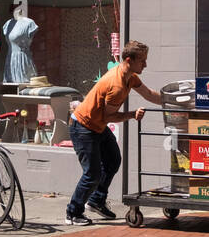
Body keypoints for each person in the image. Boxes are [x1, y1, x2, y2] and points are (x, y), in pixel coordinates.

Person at [65, 39, 163, 224]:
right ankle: (73, 212)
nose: (146, 64)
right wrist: (132, 114)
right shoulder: (116, 85)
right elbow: (108, 117)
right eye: (142, 60)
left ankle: (96, 200)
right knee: (92, 173)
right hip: (84, 127)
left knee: (113, 160)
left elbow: (149, 94)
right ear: (128, 60)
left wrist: (170, 101)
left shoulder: (130, 77)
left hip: (96, 125)